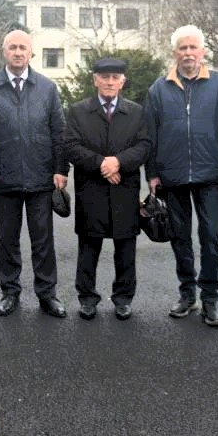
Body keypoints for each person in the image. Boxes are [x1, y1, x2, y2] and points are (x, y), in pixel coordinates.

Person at [145, 24, 218, 326]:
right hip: (171, 175)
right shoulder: (158, 89)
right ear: (175, 52)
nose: (188, 53)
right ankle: (188, 293)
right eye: (182, 48)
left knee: (211, 236)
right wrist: (152, 172)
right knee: (179, 237)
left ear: (202, 51)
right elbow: (150, 135)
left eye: (193, 47)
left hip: (209, 173)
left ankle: (210, 298)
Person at [0, 29, 69, 318]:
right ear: (4, 52)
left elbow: (59, 133)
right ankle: (10, 292)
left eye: (22, 47)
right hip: (5, 178)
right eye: (12, 47)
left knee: (43, 241)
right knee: (8, 240)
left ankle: (47, 294)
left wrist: (61, 169)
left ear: (31, 53)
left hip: (41, 177)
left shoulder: (47, 88)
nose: (17, 52)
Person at [63, 58, 151, 321]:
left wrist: (118, 162)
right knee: (88, 247)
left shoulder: (136, 112)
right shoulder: (78, 111)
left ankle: (123, 299)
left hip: (124, 189)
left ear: (123, 81)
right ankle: (87, 298)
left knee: (126, 249)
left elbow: (144, 146)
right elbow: (70, 146)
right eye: (104, 77)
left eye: (115, 77)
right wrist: (102, 164)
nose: (110, 82)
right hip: (91, 189)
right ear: (95, 80)